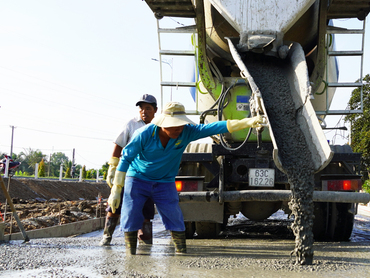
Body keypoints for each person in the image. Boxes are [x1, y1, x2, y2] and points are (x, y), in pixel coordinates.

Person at [108, 101, 264, 255]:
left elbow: (215, 127)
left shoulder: (186, 132)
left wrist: (247, 122)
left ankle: (181, 250)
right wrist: (117, 188)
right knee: (131, 213)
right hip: (138, 179)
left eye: (181, 125)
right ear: (163, 124)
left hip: (165, 181)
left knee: (174, 214)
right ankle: (131, 254)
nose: (178, 129)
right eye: (174, 126)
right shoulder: (144, 134)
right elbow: (126, 158)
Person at [101, 94, 159, 246]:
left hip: (146, 175)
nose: (144, 111)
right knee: (115, 204)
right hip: (126, 174)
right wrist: (112, 168)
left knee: (145, 210)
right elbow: (118, 146)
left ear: (155, 110)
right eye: (141, 109)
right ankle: (107, 236)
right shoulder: (131, 125)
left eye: (148, 108)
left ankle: (145, 241)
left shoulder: (158, 127)